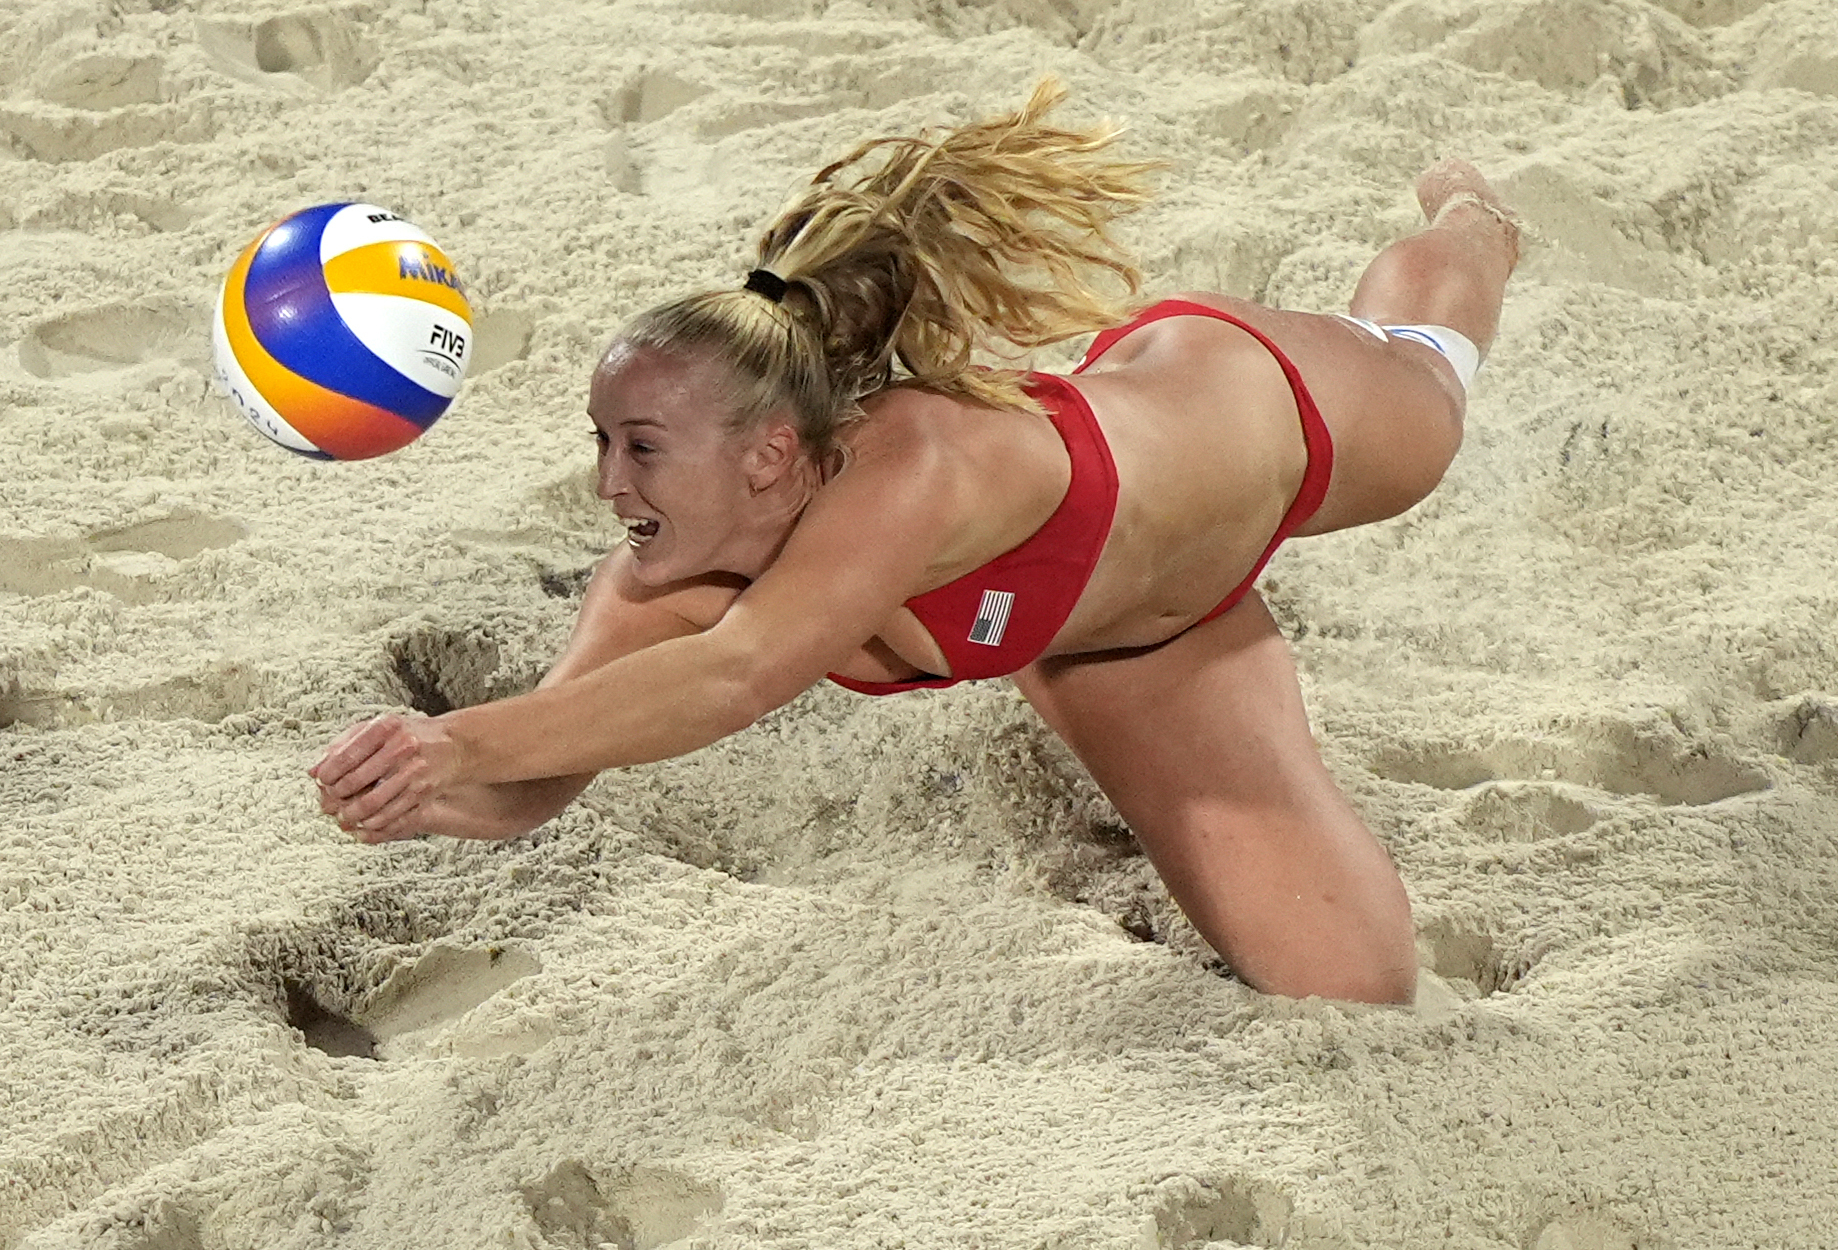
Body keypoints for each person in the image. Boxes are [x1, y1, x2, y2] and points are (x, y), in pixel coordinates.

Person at [310, 80, 1519, 1005]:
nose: (605, 484)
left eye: (637, 447)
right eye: (601, 441)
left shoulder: (916, 462)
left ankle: (1472, 216)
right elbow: (553, 759)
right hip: (1129, 643)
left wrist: (453, 739)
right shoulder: (659, 581)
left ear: (771, 459)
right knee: (1353, 986)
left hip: (1250, 417)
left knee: (1430, 380)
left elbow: (739, 676)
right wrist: (440, 787)